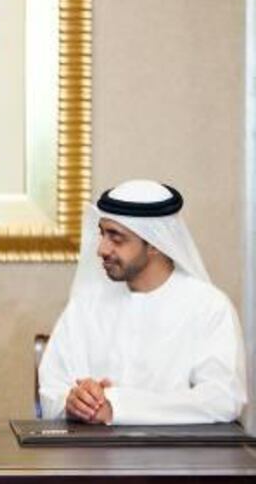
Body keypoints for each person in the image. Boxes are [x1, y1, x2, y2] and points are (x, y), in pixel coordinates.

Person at [38, 180, 247, 425]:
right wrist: (74, 402)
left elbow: (223, 399)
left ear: (156, 244)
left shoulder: (208, 307)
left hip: (179, 461)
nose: (102, 249)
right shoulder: (87, 305)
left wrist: (117, 406)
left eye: (116, 238)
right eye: (103, 234)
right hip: (92, 459)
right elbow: (52, 389)